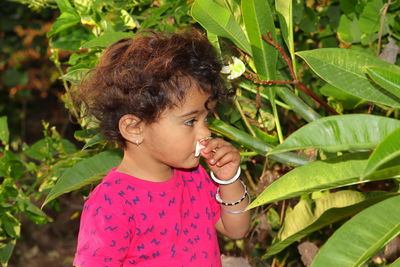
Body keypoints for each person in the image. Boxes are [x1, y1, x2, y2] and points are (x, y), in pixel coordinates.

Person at [73, 29, 250, 267]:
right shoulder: (112, 203)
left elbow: (236, 229)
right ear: (134, 128)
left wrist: (229, 181)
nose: (206, 133)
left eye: (205, 119)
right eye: (190, 121)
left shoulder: (193, 177)